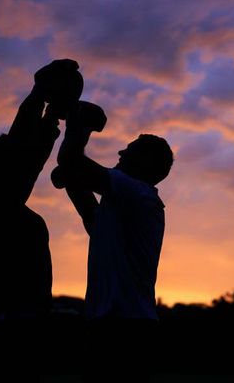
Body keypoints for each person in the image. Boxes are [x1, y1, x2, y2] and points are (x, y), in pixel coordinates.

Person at [0, 59, 83, 379]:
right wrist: (39, 94)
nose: (20, 159)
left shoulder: (5, 202)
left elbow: (28, 162)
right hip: (6, 328)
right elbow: (23, 155)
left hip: (22, 324)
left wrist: (50, 117)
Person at [51, 105, 173, 382]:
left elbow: (72, 161)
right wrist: (73, 179)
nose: (120, 153)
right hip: (113, 324)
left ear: (145, 162)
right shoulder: (124, 203)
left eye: (129, 149)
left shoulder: (137, 192)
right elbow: (89, 214)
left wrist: (79, 126)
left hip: (125, 327)